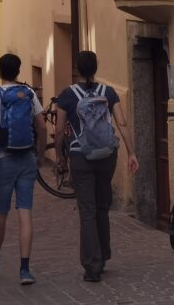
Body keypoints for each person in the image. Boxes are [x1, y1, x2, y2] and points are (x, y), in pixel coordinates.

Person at [55, 50, 139, 282]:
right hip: (107, 156)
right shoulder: (108, 93)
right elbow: (121, 122)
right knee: (102, 206)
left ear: (78, 69)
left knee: (88, 211)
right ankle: (104, 254)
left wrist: (60, 158)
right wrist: (132, 152)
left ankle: (93, 265)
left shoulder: (67, 95)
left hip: (81, 157)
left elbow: (60, 130)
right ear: (95, 68)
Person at [0, 53, 46, 284]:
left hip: (3, 159)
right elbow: (42, 126)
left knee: (0, 213)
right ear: (18, 71)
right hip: (27, 158)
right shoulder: (29, 93)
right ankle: (25, 269)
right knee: (25, 213)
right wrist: (41, 154)